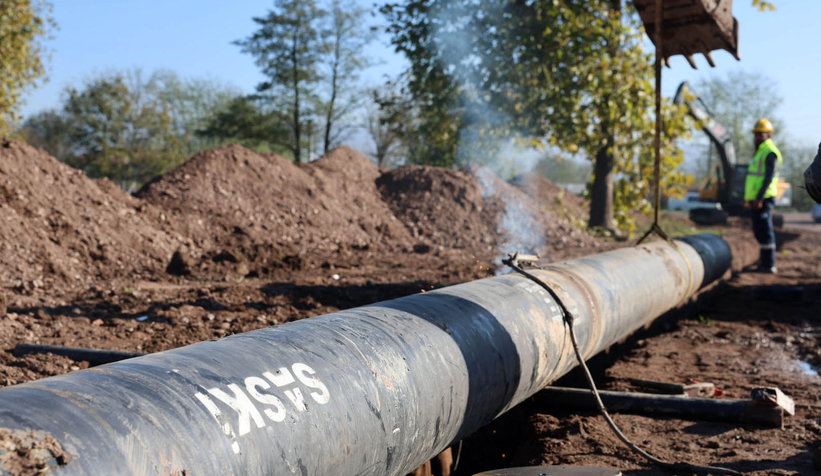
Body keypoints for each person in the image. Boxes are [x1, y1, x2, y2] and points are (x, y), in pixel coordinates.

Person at [744, 118, 783, 274]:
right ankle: (764, 262)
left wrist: (759, 198)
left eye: (761, 134)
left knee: (765, 231)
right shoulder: (760, 152)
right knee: (759, 231)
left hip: (764, 199)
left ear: (769, 135)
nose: (758, 138)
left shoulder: (770, 152)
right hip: (756, 199)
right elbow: (754, 178)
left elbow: (768, 178)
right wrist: (749, 199)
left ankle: (769, 265)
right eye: (756, 134)